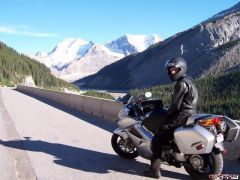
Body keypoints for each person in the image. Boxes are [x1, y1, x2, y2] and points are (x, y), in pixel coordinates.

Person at [143, 57, 198, 179]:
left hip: (181, 115)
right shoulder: (189, 81)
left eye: (174, 69)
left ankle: (154, 171)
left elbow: (175, 105)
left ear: (181, 69)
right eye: (170, 69)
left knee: (157, 140)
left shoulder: (181, 83)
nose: (171, 72)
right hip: (189, 113)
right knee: (167, 134)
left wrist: (167, 113)